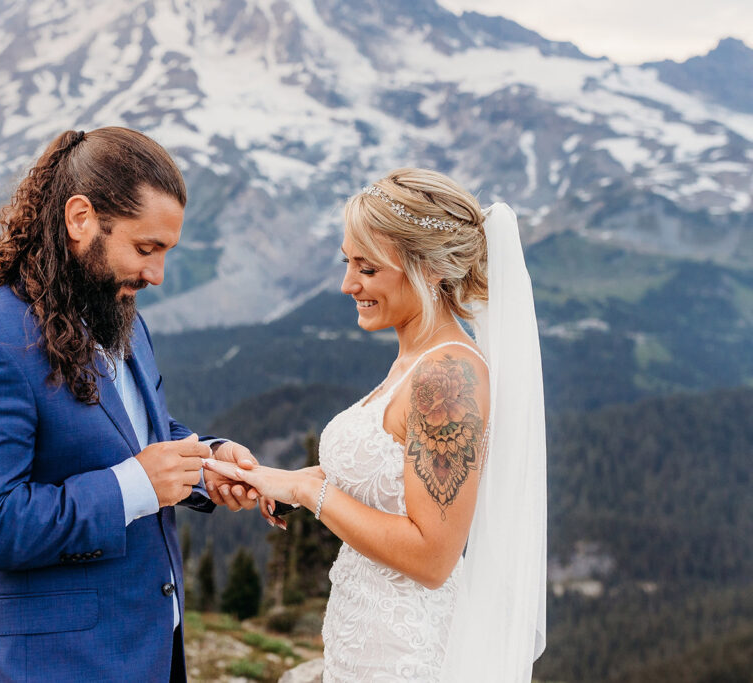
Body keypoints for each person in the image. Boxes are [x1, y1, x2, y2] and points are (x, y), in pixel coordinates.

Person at [0, 127, 259, 682]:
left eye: (165, 251)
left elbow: (135, 433)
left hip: (144, 652)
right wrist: (134, 487)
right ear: (80, 219)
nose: (157, 275)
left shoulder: (121, 316)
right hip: (42, 667)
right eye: (145, 249)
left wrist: (208, 462)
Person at [204, 169, 547, 681]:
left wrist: (307, 490)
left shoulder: (447, 378)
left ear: (428, 268)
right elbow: (388, 484)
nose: (348, 285)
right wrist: (284, 480)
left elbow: (433, 556)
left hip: (404, 655)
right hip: (365, 640)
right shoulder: (414, 362)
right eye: (348, 263)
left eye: (367, 268)